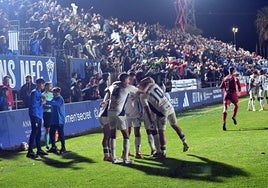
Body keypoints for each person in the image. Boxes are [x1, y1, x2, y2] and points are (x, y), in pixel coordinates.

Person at [138, 74, 189, 159]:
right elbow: (150, 79)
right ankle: (184, 142)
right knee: (175, 125)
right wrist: (143, 83)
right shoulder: (154, 84)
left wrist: (151, 120)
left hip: (162, 111)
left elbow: (147, 109)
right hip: (169, 106)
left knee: (161, 132)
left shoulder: (143, 95)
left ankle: (163, 152)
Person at [107, 73, 138, 164]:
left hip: (110, 111)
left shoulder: (113, 86)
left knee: (113, 134)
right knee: (126, 134)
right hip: (119, 113)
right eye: (128, 79)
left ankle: (113, 158)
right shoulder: (128, 87)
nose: (129, 81)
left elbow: (107, 88)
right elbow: (141, 91)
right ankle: (126, 158)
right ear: (125, 80)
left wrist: (117, 82)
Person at [26, 78, 48, 159]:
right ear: (38, 84)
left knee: (38, 132)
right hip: (34, 114)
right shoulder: (34, 92)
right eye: (42, 84)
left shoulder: (39, 93)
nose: (42, 85)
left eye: (43, 84)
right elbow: (33, 104)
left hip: (39, 114)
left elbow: (40, 103)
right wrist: (42, 102)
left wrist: (43, 102)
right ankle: (30, 151)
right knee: (34, 132)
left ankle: (39, 149)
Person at [125, 71, 143, 158]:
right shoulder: (124, 89)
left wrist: (142, 110)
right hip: (126, 114)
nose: (132, 81)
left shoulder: (136, 89)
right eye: (130, 79)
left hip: (136, 113)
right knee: (127, 133)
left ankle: (137, 151)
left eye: (133, 79)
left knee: (137, 132)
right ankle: (127, 150)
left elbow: (140, 100)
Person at [47, 87, 66, 155]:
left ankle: (63, 148)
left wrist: (46, 101)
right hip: (53, 120)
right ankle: (53, 147)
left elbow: (55, 104)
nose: (55, 93)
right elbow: (53, 105)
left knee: (61, 134)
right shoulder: (54, 99)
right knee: (52, 133)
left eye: (56, 92)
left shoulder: (60, 99)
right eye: (54, 92)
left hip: (60, 120)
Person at [98, 88, 112, 162]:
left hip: (102, 116)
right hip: (105, 116)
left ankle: (108, 154)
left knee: (107, 136)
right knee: (107, 136)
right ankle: (107, 156)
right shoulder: (110, 97)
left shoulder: (107, 96)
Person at [42, 82, 53, 150]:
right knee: (47, 129)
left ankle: (53, 144)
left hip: (52, 113)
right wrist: (50, 106)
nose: (51, 87)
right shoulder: (43, 95)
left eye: (51, 86)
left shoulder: (52, 94)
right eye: (49, 86)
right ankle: (47, 145)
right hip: (46, 113)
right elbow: (43, 105)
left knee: (53, 129)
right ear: (46, 87)